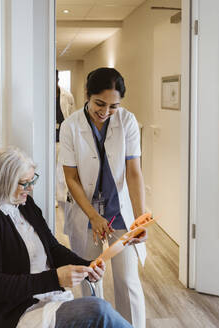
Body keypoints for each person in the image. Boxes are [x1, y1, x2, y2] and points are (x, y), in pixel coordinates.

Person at [0, 147, 132, 328]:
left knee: (98, 312)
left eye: (32, 180)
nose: (30, 188)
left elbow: (52, 248)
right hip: (10, 313)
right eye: (24, 183)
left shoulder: (24, 205)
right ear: (4, 182)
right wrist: (55, 279)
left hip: (43, 298)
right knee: (98, 311)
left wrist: (86, 266)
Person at [59, 67, 147, 327]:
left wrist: (141, 218)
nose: (106, 111)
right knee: (91, 281)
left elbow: (133, 173)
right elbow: (71, 178)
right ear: (87, 94)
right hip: (86, 214)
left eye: (113, 105)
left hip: (119, 212)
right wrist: (94, 216)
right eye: (100, 103)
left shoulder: (127, 121)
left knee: (128, 280)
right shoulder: (70, 126)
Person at [56, 70, 75, 207]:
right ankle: (54, 197)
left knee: (64, 169)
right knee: (51, 170)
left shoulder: (67, 95)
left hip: (64, 138)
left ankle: (64, 196)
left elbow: (73, 117)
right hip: (49, 139)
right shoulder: (42, 94)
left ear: (57, 79)